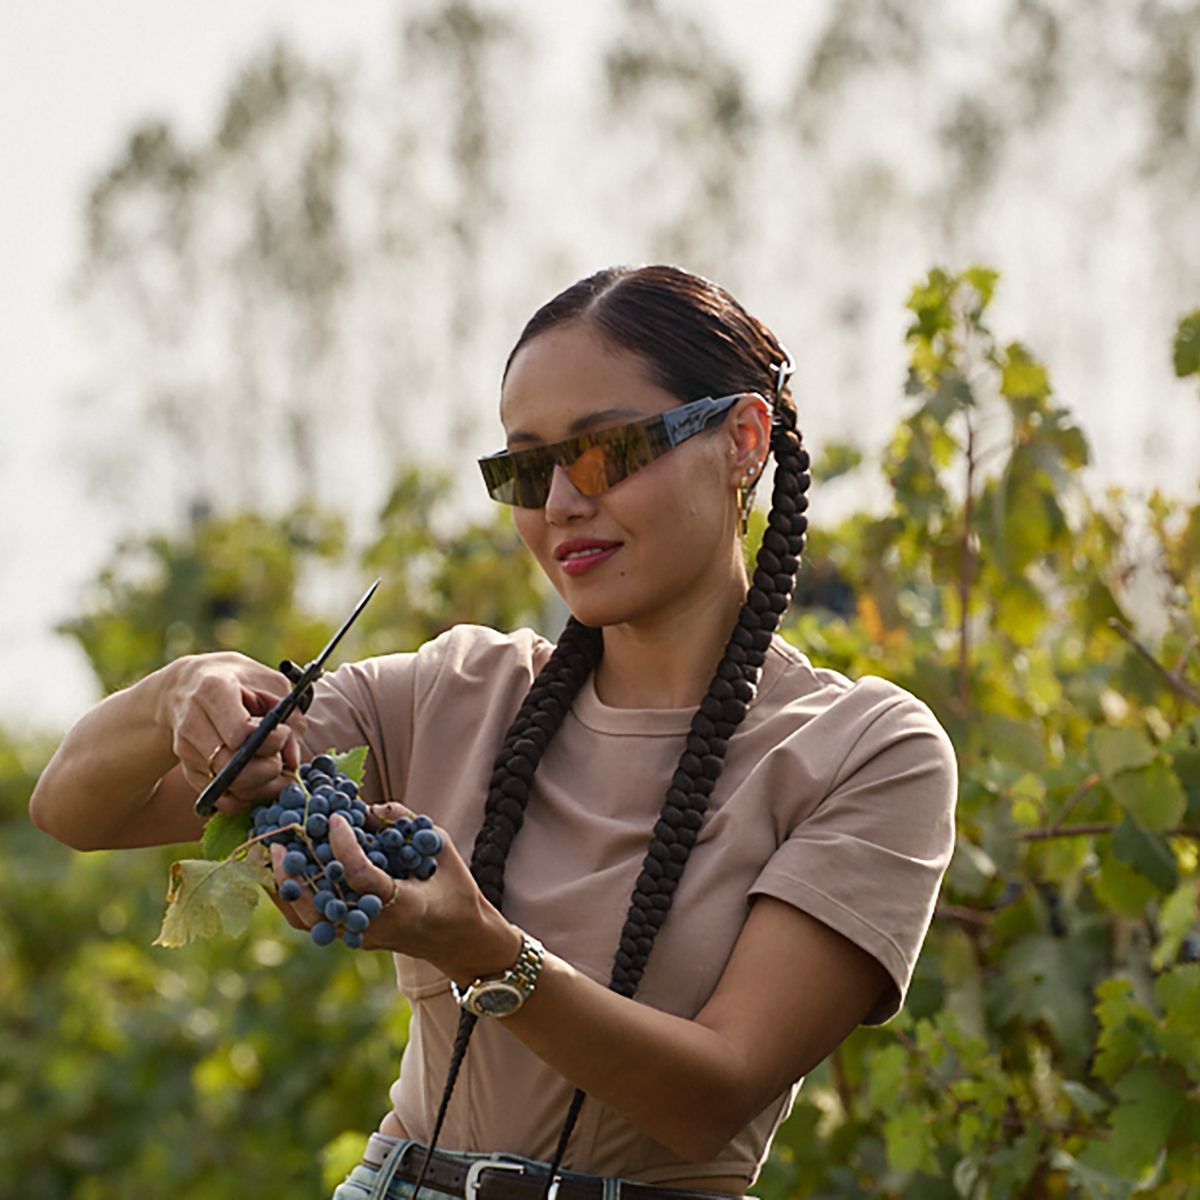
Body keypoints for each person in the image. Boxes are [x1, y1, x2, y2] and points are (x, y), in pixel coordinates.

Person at [31, 265, 957, 1200]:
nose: (559, 503)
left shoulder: (865, 751)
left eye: (604, 453)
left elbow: (709, 1098)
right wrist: (181, 694)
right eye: (525, 468)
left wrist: (480, 948)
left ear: (741, 441)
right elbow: (78, 807)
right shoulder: (456, 690)